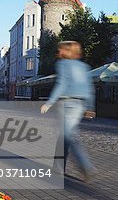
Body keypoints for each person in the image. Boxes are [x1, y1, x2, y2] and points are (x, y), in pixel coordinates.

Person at [41, 41, 95, 182]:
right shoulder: (84, 67)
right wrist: (90, 107)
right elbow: (89, 88)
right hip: (80, 104)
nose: (58, 52)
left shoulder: (63, 64)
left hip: (66, 103)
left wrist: (49, 102)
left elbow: (62, 84)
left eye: (60, 49)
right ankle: (58, 168)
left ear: (66, 51)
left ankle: (85, 165)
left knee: (69, 137)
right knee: (65, 135)